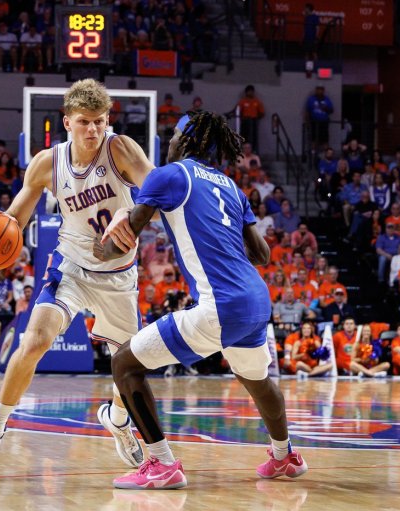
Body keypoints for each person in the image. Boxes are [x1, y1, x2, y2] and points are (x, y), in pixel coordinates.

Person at [95, 111, 307, 489]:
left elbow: (122, 241)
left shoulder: (171, 174)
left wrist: (101, 246)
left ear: (187, 139)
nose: (170, 141)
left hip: (221, 305)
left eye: (174, 135)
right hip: (257, 300)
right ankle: (284, 456)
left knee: (124, 364)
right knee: (257, 381)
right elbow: (262, 255)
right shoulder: (230, 186)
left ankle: (161, 463)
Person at [0, 79, 156, 471]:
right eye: (84, 122)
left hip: (118, 275)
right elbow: (15, 217)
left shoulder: (121, 149)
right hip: (72, 268)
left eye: (99, 121)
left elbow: (159, 192)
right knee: (33, 342)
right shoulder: (48, 162)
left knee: (128, 370)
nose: (93, 130)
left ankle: (117, 422)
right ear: (67, 122)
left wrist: (127, 214)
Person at [236, 85, 264, 151]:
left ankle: (253, 151)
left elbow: (262, 112)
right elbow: (238, 112)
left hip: (254, 122)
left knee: (254, 137)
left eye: (252, 91)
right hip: (245, 122)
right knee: (244, 137)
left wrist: (256, 118)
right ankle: (244, 151)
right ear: (246, 92)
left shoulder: (257, 101)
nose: (250, 93)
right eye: (249, 91)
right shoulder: (242, 101)